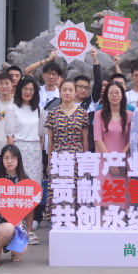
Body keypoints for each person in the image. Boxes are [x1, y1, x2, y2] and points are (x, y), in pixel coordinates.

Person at [5, 75, 45, 244]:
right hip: (18, 150)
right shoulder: (12, 108)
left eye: (31, 89)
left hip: (34, 151)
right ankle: (15, 229)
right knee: (16, 193)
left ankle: (29, 231)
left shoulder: (39, 110)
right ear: (19, 90)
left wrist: (39, 153)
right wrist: (11, 158)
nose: (28, 92)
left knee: (31, 193)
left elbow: (42, 135)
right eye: (25, 89)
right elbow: (9, 135)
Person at [45, 80, 89, 221]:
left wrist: (86, 162)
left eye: (70, 90)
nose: (67, 93)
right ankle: (59, 220)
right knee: (59, 189)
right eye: (64, 90)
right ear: (60, 92)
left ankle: (75, 220)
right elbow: (50, 141)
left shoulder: (82, 113)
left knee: (75, 189)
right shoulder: (52, 113)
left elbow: (85, 140)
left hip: (77, 155)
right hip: (58, 155)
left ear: (75, 92)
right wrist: (49, 162)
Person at [0, 145, 30, 267]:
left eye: (13, 157)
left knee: (20, 251)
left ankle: (13, 250)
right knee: (8, 228)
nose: (10, 161)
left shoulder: (25, 181)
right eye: (6, 158)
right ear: (1, 160)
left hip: (19, 224)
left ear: (18, 160)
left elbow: (28, 206)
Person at [94, 81, 132, 208]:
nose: (114, 95)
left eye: (117, 92)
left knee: (121, 199)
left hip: (122, 160)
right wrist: (110, 160)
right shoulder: (99, 114)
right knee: (104, 200)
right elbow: (98, 140)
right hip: (103, 161)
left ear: (122, 95)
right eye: (111, 93)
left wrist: (119, 160)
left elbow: (131, 140)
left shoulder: (129, 115)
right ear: (106, 95)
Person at [0, 72, 15, 178]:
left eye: (7, 83)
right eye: (1, 83)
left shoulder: (17, 104)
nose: (4, 86)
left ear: (12, 85)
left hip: (13, 152)